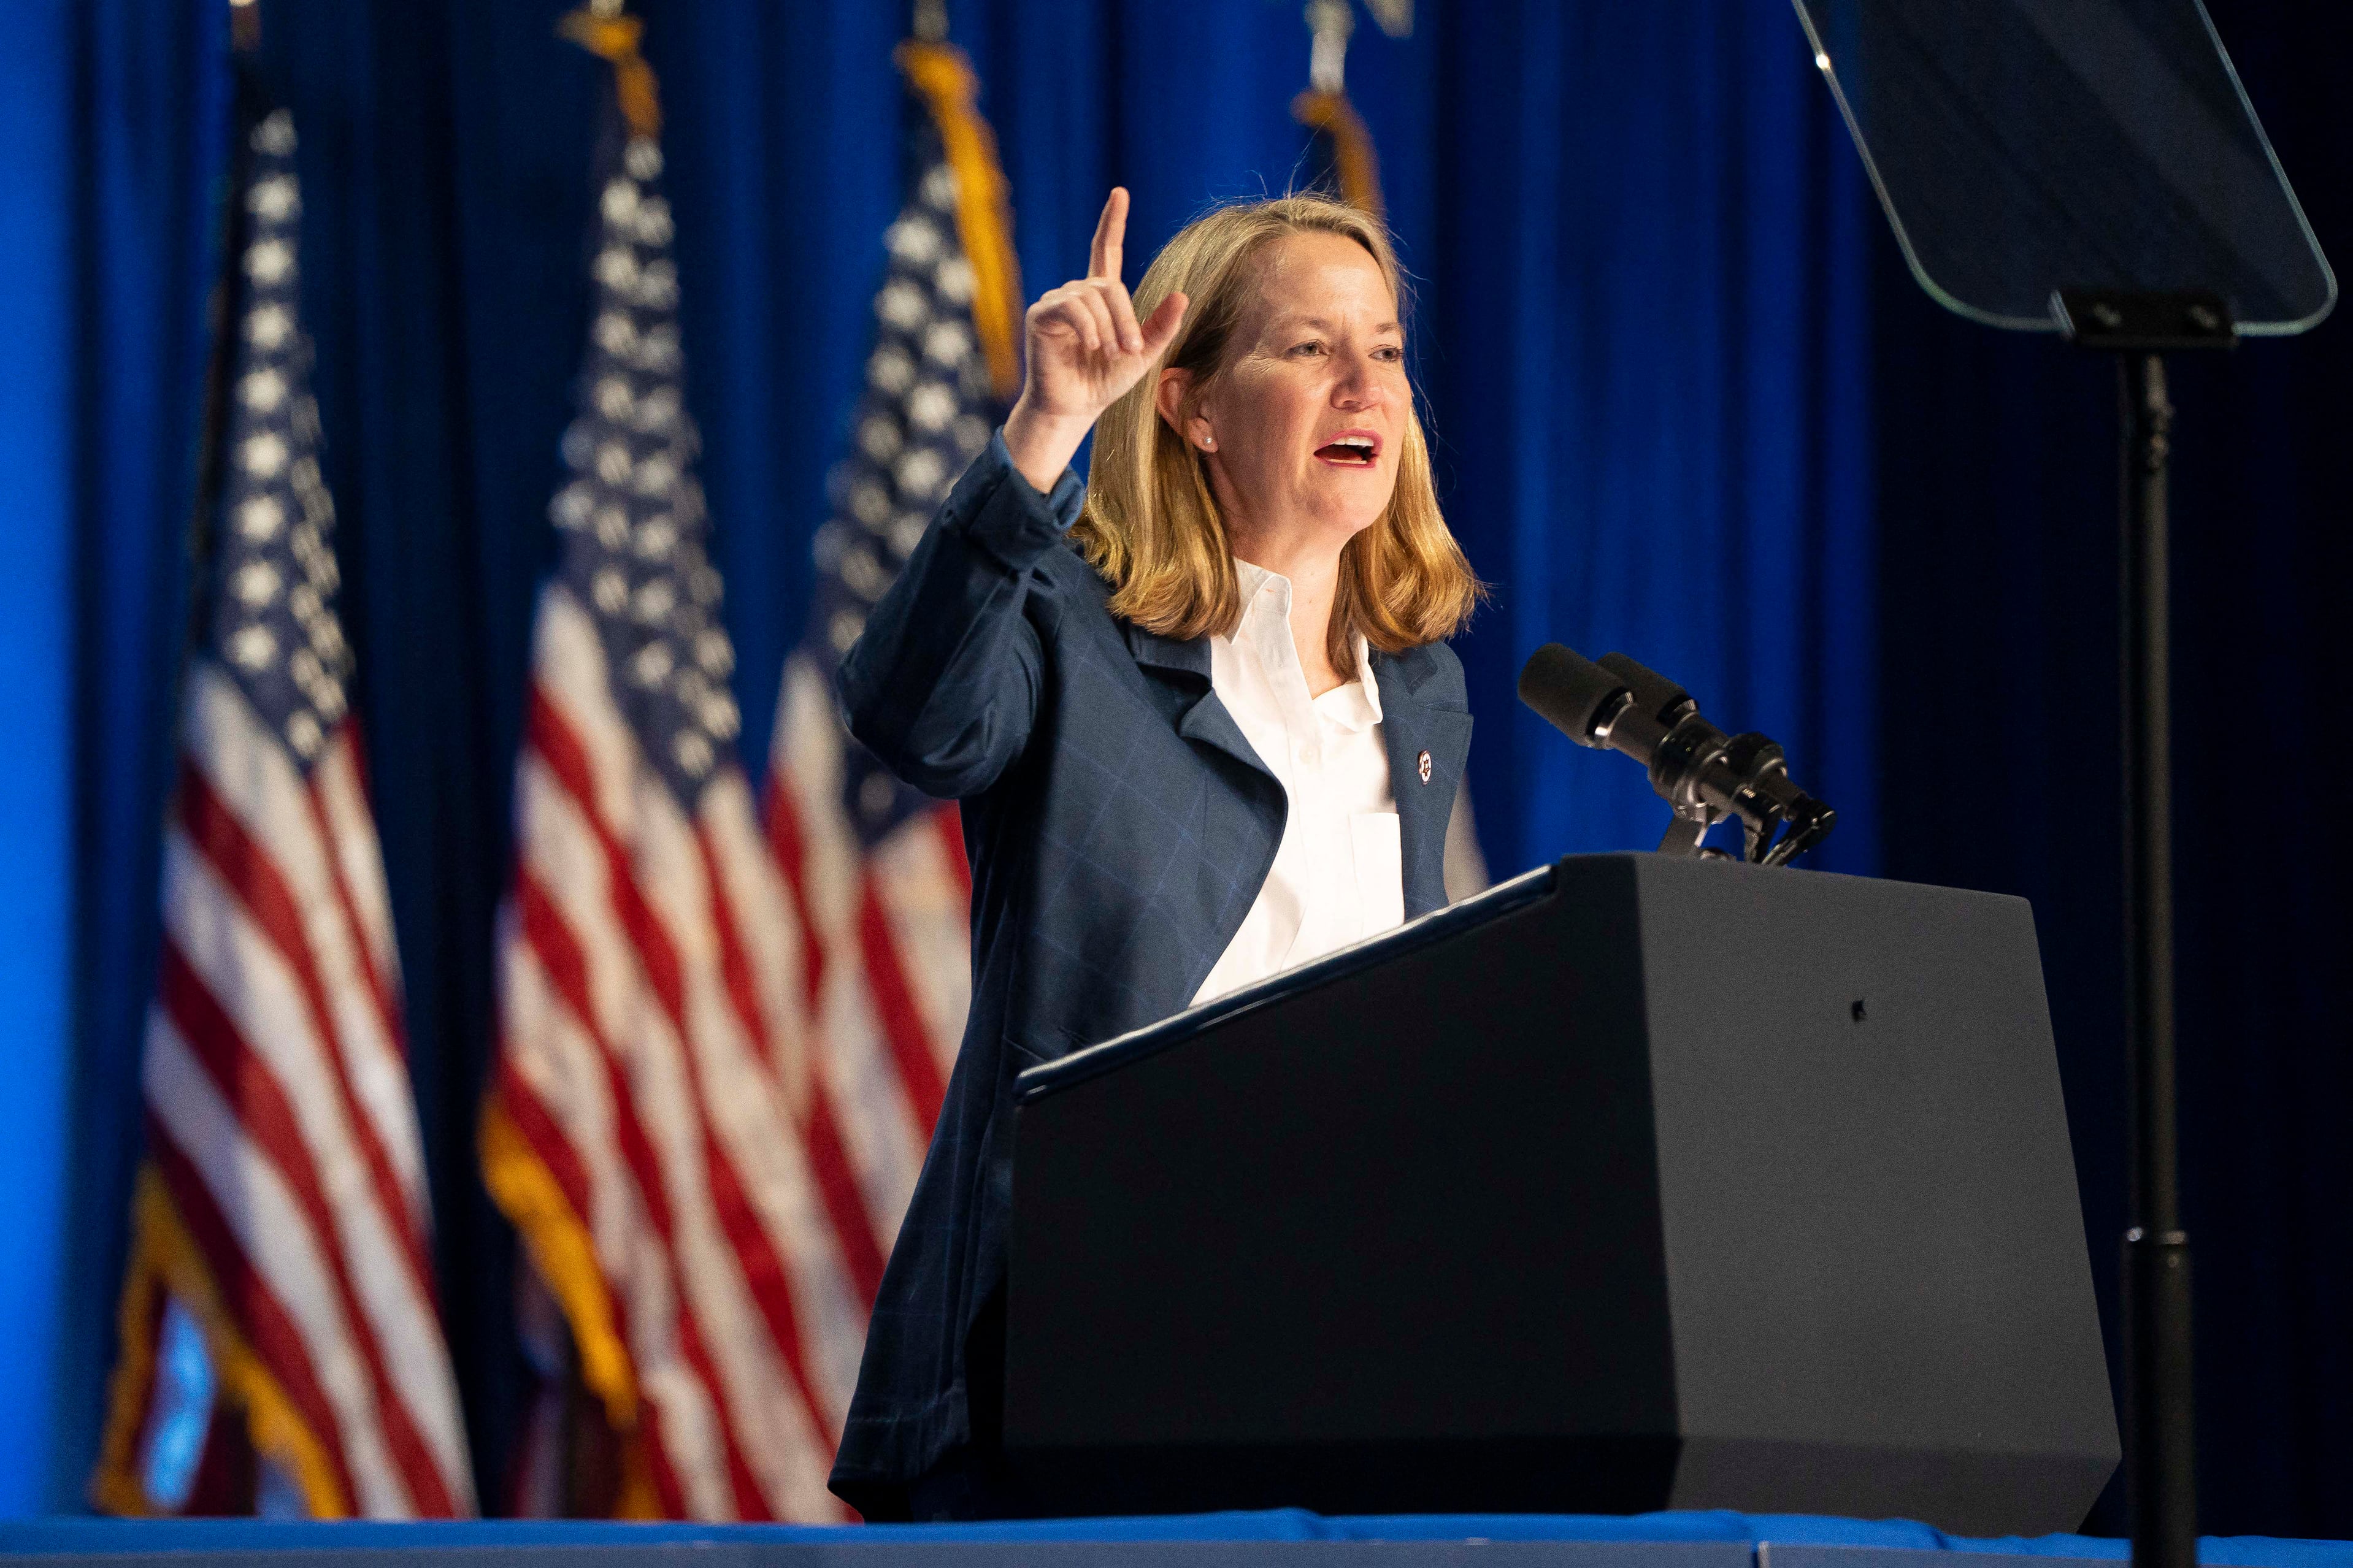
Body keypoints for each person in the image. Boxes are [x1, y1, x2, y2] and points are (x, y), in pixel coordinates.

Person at [827, 187, 1483, 1521]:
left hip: (1339, 1359)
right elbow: (913, 722)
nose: (1365, 382)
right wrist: (1045, 431)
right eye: (1308, 348)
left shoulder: (1419, 695)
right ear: (1187, 404)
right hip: (1069, 1357)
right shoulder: (1071, 619)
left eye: (1387, 349)